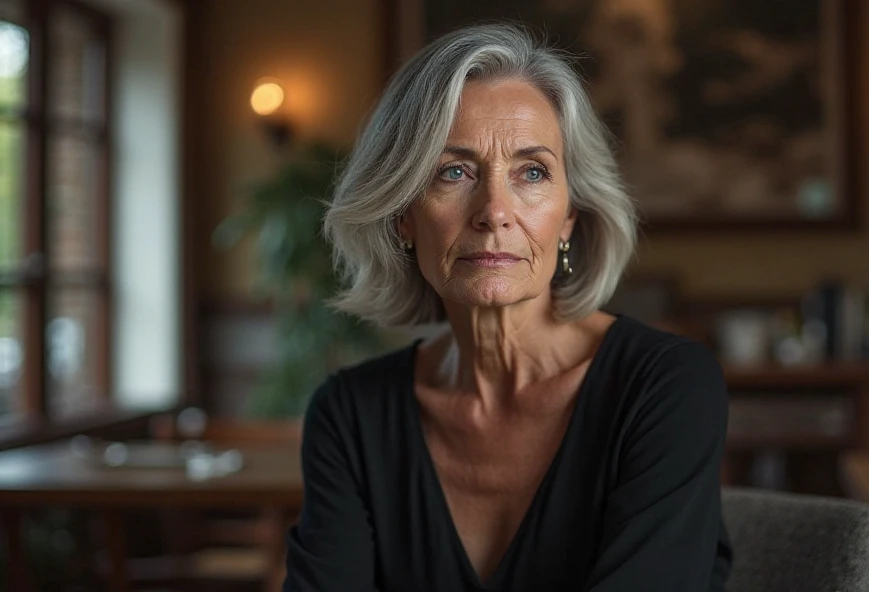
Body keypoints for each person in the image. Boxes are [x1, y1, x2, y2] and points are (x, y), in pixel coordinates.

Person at [284, 23, 732, 592]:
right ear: (401, 215)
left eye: (532, 172)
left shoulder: (666, 387)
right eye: (454, 171)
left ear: (570, 216)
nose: (494, 211)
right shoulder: (350, 416)